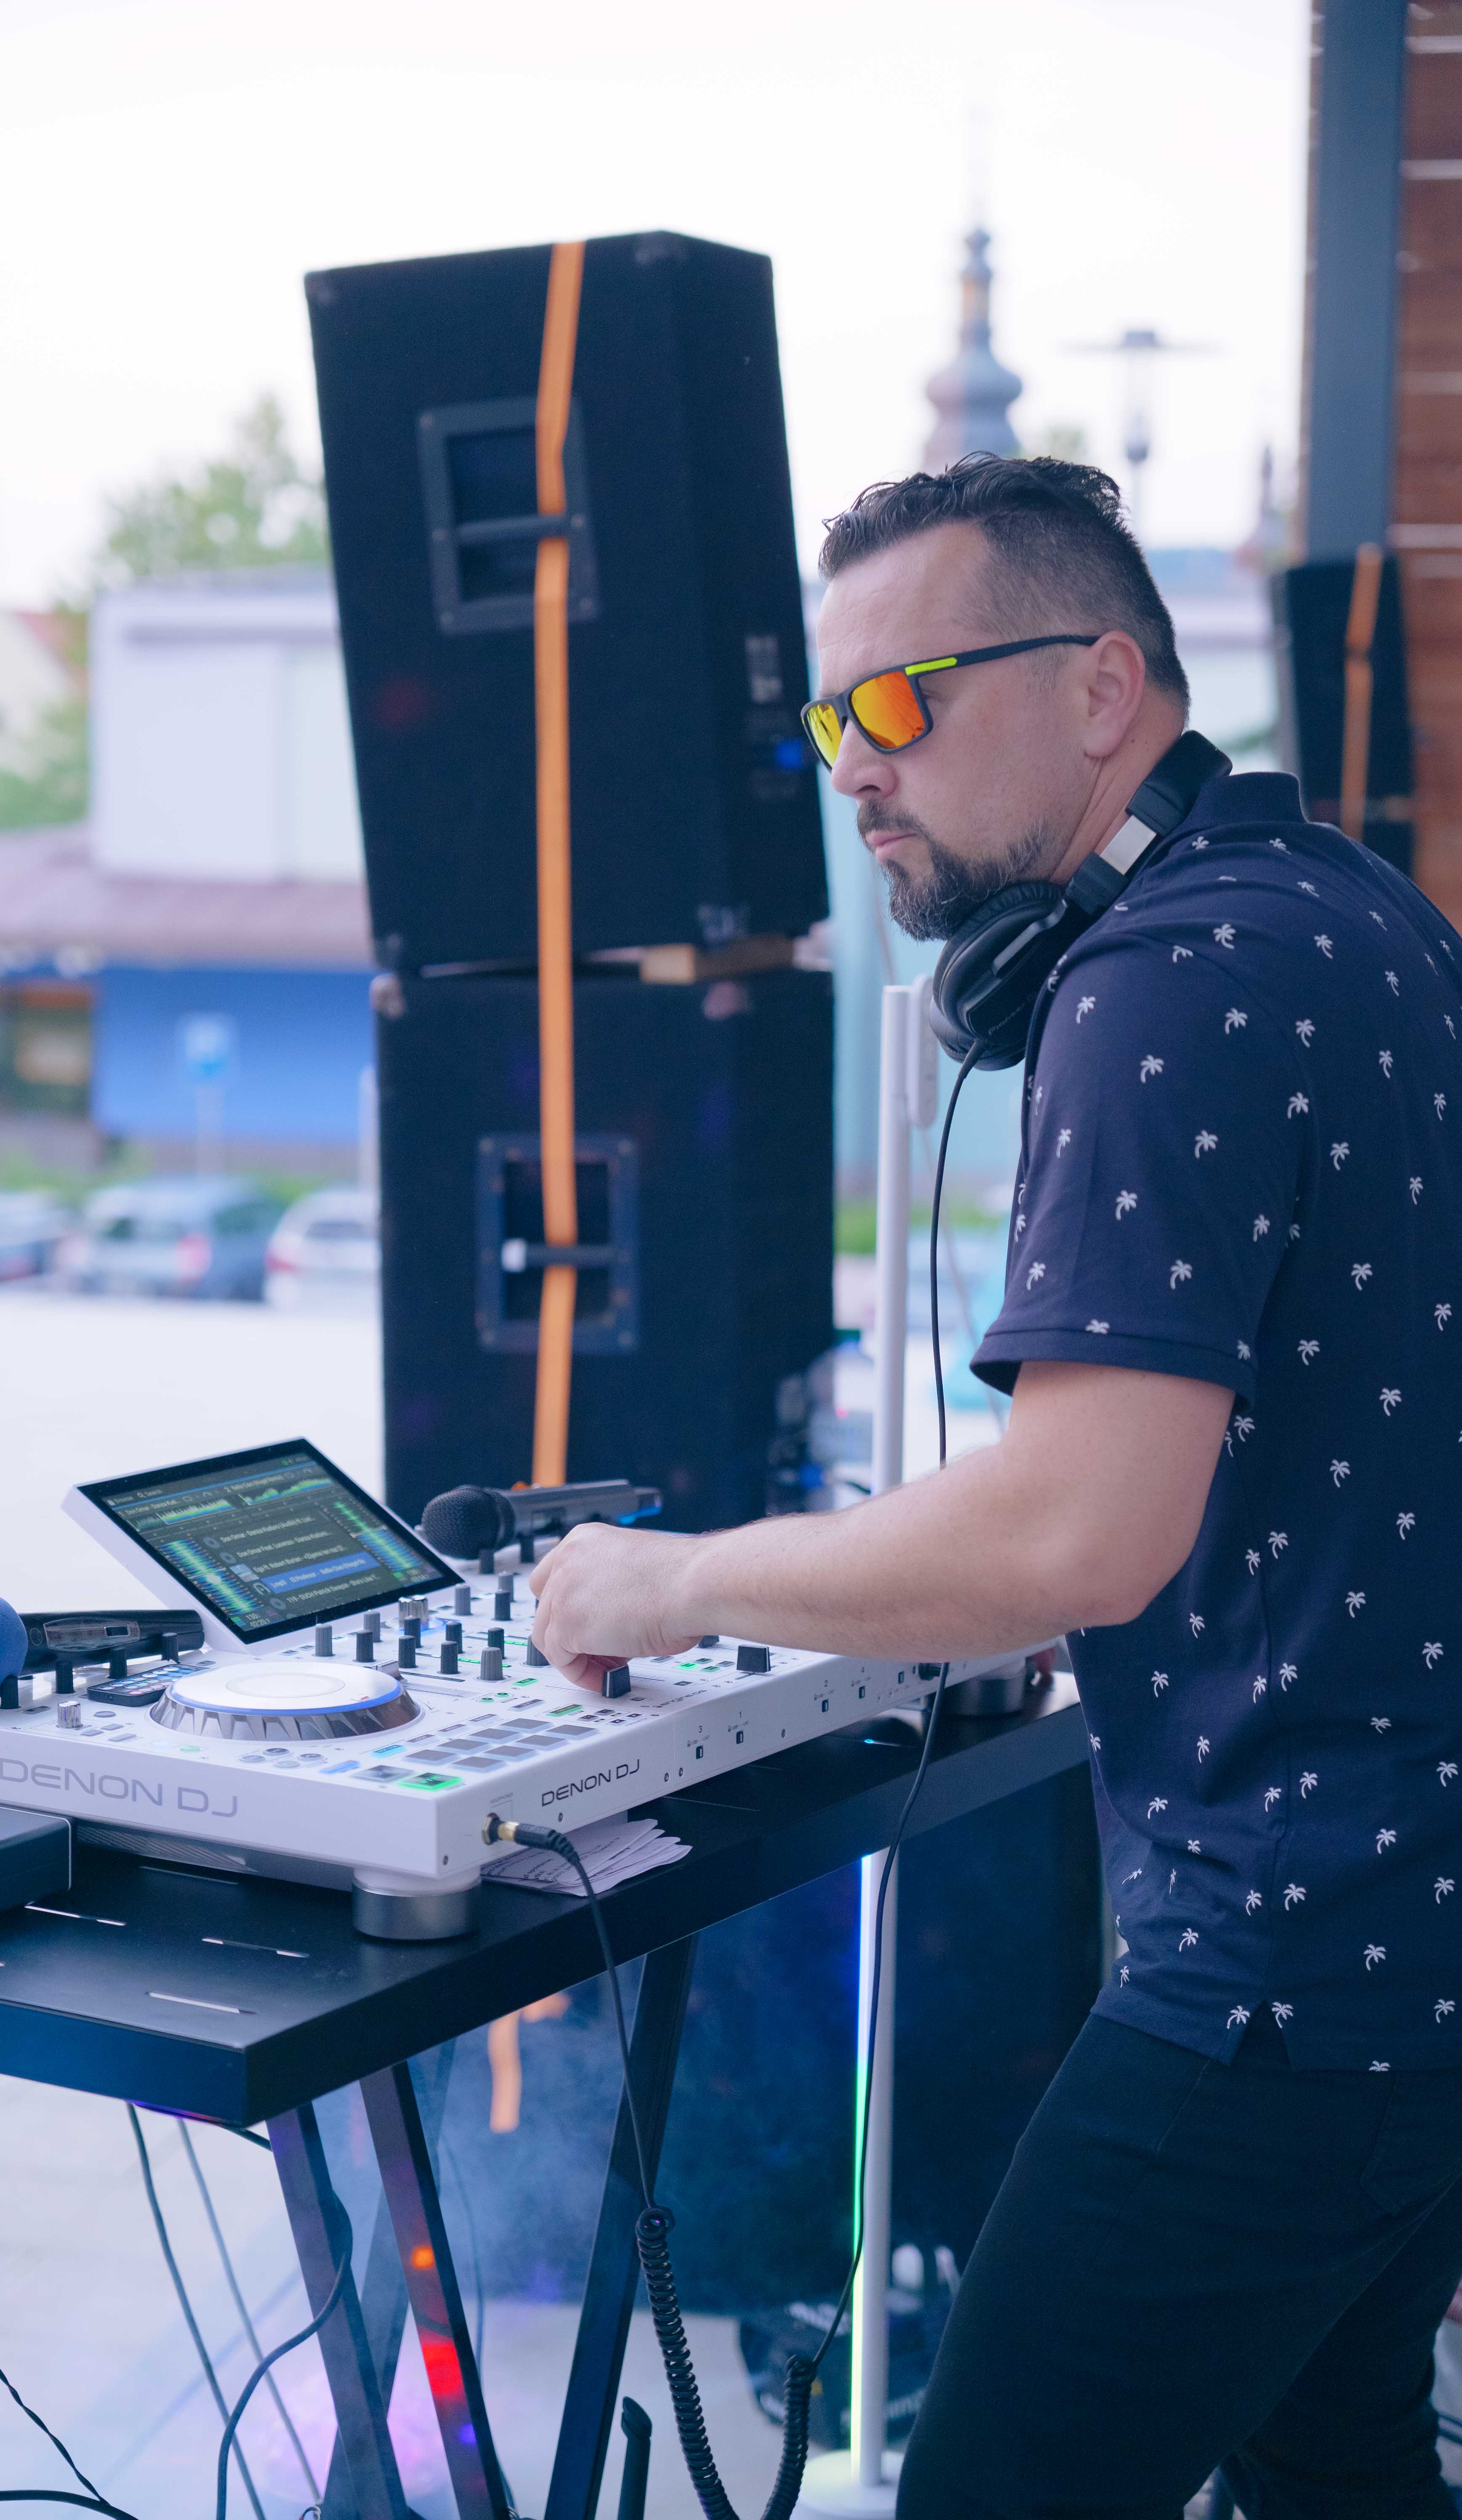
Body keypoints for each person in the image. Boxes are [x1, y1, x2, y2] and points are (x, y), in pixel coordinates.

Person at [528, 455, 1462, 2518]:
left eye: (904, 700)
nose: (858, 765)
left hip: (1294, 1968)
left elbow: (1068, 1539)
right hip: (1419, 1940)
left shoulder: (1159, 987)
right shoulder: (1358, 913)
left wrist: (668, 1584)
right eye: (828, 718)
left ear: (1102, 684)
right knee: (1334, 2459)